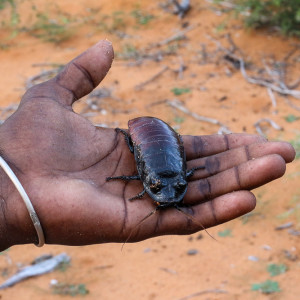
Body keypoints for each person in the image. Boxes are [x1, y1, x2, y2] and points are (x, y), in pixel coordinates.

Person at [0, 40, 295, 251]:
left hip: (157, 138)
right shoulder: (163, 176)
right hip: (152, 135)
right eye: (159, 189)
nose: (167, 195)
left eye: (172, 190)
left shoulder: (153, 180)